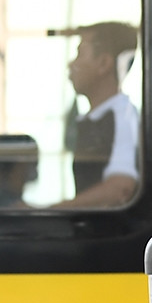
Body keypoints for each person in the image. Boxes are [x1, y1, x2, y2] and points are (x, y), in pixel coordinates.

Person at [50, 21, 140, 209]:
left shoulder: (122, 118)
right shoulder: (100, 118)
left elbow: (120, 188)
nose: (71, 63)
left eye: (80, 53)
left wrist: (52, 210)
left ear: (103, 64)